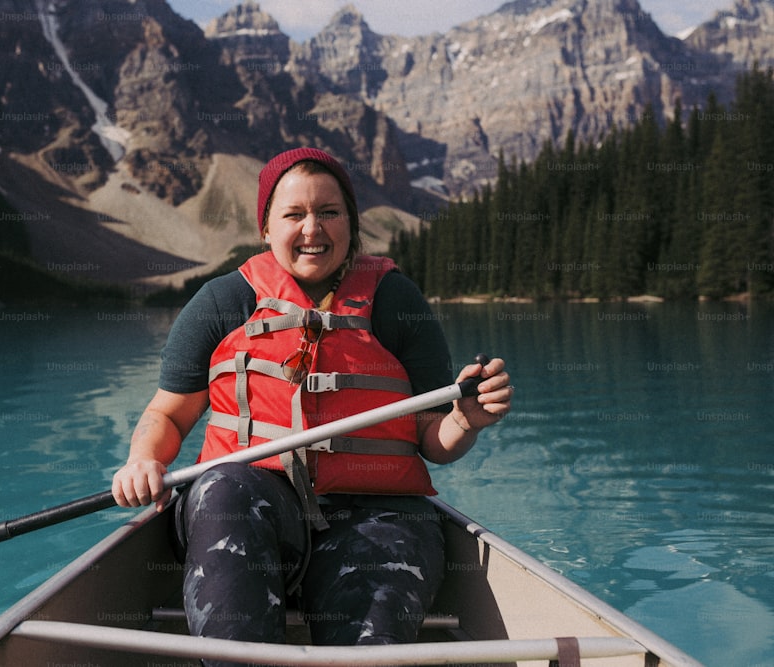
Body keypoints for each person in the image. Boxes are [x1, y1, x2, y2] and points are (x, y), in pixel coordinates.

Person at [112, 147, 512, 663]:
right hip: (252, 506)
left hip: (377, 513)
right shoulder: (221, 302)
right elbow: (167, 414)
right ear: (265, 228)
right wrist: (145, 459)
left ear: (351, 222)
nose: (312, 229)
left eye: (328, 212)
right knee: (223, 485)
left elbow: (433, 441)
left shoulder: (397, 300)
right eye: (294, 214)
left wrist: (466, 420)